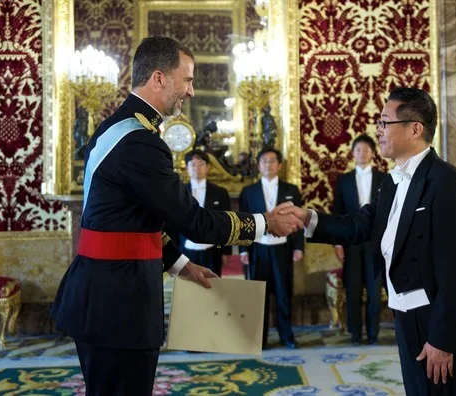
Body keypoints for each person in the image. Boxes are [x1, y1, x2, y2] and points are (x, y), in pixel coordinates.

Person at [51, 37, 302, 396]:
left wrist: (181, 265)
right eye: (187, 79)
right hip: (118, 303)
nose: (192, 91)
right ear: (158, 78)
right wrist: (265, 222)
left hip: (104, 294)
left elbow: (137, 222)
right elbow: (194, 221)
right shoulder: (140, 141)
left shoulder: (115, 129)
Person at [283, 88, 456, 395]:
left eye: (384, 122)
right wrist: (308, 218)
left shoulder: (446, 182)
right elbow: (359, 226)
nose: (378, 130)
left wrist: (443, 339)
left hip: (434, 317)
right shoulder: (391, 182)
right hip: (404, 312)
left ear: (414, 128)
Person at [239, 148, 304, 349]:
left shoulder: (291, 190)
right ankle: (260, 339)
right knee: (259, 294)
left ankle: (287, 336)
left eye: (272, 161)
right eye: (264, 162)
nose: (268, 165)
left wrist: (299, 247)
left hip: (283, 249)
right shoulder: (248, 192)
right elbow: (243, 222)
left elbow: (300, 221)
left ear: (279, 165)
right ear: (259, 166)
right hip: (258, 250)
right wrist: (243, 250)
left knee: (284, 294)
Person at [333, 134, 387, 345]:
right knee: (353, 288)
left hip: (376, 243)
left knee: (375, 290)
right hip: (352, 242)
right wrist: (338, 243)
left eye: (366, 149)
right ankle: (355, 332)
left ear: (373, 153)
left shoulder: (385, 179)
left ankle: (373, 332)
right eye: (358, 150)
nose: (362, 153)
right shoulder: (343, 181)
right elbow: (337, 213)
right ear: (353, 153)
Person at [178, 149, 232, 276]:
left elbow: (227, 223)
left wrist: (226, 251)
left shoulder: (220, 192)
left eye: (201, 164)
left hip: (212, 250)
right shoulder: (178, 192)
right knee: (187, 289)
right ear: (187, 167)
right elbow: (171, 224)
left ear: (207, 167)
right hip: (186, 250)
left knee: (212, 288)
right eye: (193, 164)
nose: (197, 168)